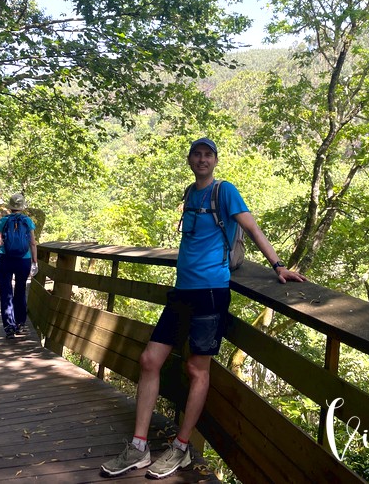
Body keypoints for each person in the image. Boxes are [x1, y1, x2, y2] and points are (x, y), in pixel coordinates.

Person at [101, 137, 306, 478]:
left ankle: (180, 447)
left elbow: (251, 227)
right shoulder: (190, 192)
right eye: (196, 154)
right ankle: (138, 447)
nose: (201, 159)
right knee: (150, 360)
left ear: (215, 160)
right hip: (183, 291)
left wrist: (278, 265)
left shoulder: (224, 191)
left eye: (207, 154)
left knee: (197, 370)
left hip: (211, 291)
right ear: (189, 159)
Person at [0, 193, 38, 339]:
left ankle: (9, 327)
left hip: (5, 259)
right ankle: (20, 323)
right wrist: (34, 262)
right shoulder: (28, 221)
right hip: (23, 260)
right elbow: (32, 243)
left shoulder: (4, 221)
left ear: (10, 206)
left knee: (6, 292)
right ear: (22, 206)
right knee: (20, 289)